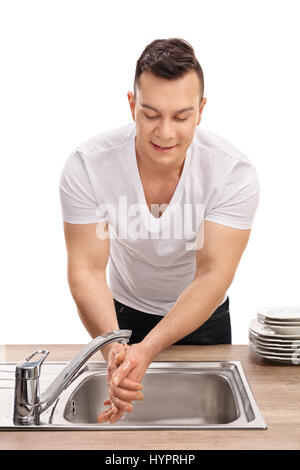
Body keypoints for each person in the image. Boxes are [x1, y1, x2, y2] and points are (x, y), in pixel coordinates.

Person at [59, 38, 260, 423]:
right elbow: (86, 268)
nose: (165, 133)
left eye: (181, 117)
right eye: (151, 114)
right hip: (120, 319)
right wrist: (115, 348)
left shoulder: (233, 174)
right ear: (132, 105)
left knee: (207, 433)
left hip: (204, 321)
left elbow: (212, 275)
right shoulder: (87, 166)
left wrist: (147, 349)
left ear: (201, 111)